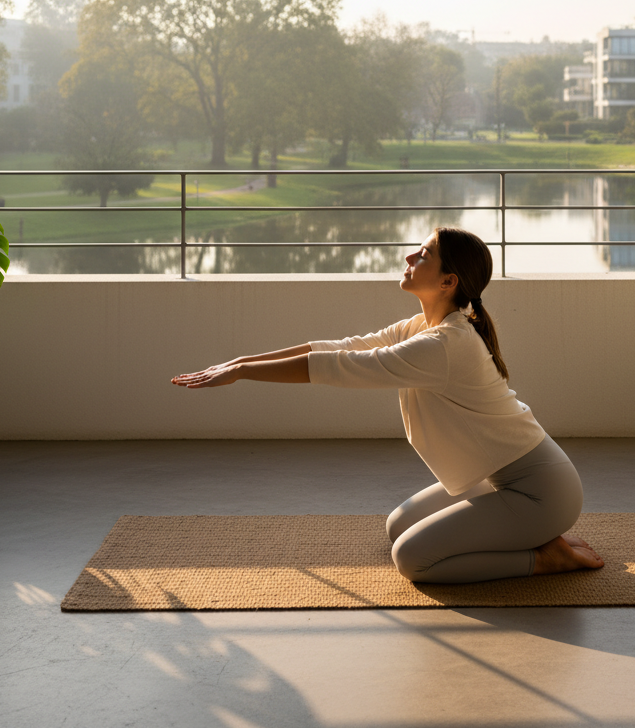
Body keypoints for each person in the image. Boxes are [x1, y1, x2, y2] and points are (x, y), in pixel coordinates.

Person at [172, 226, 603, 584]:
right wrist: (241, 361)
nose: (409, 257)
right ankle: (526, 535)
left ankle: (545, 558)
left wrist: (243, 373)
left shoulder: (445, 344)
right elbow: (341, 347)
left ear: (448, 281)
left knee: (413, 559)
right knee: (398, 526)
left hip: (541, 492)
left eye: (423, 254)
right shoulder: (424, 326)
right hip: (498, 478)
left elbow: (341, 366)